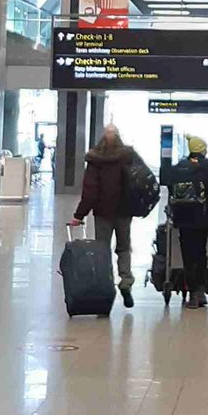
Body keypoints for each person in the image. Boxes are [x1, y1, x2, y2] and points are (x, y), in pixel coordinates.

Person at [71, 124, 141, 308]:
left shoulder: (95, 160)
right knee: (124, 247)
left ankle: (105, 286)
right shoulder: (128, 157)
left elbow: (90, 192)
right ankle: (126, 282)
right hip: (125, 211)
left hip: (103, 212)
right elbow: (140, 181)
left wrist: (79, 215)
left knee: (102, 249)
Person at [164, 137, 208, 309]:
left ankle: (192, 291)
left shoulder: (178, 167)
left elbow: (170, 187)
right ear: (203, 150)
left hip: (182, 215)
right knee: (200, 251)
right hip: (201, 215)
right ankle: (200, 291)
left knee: (187, 253)